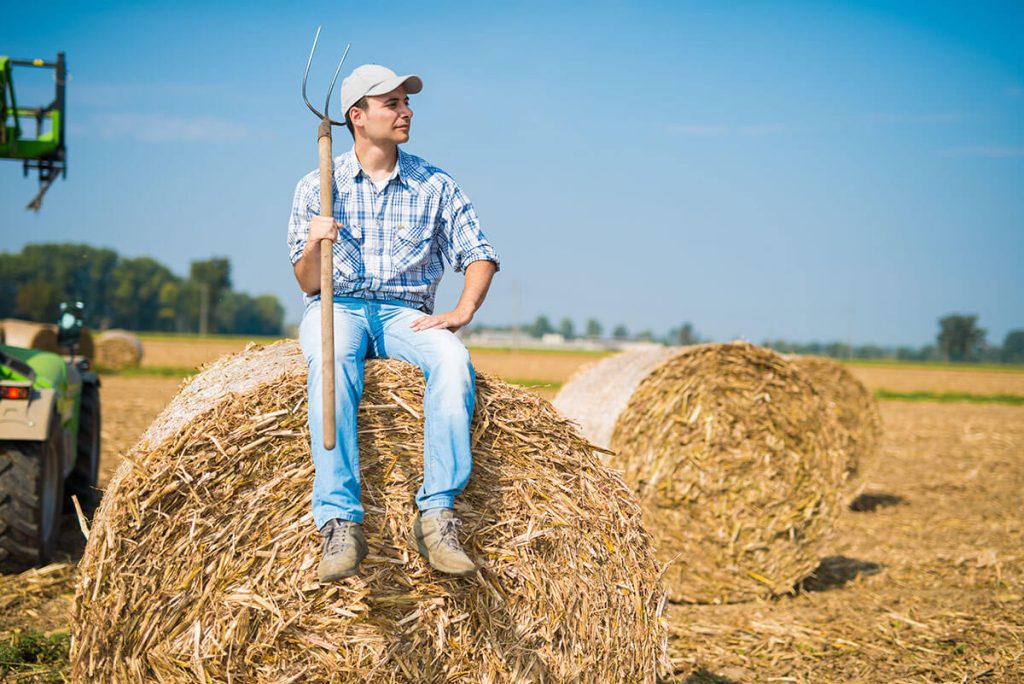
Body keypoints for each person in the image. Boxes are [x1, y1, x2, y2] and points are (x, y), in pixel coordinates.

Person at [287, 64, 499, 582]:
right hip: (337, 306)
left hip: (407, 314)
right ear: (357, 117)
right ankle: (339, 521)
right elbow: (306, 282)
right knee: (332, 359)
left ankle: (438, 512)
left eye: (407, 103)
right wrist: (316, 241)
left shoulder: (435, 183)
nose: (406, 112)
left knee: (452, 359)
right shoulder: (318, 184)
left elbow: (480, 254)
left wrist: (463, 311)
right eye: (393, 104)